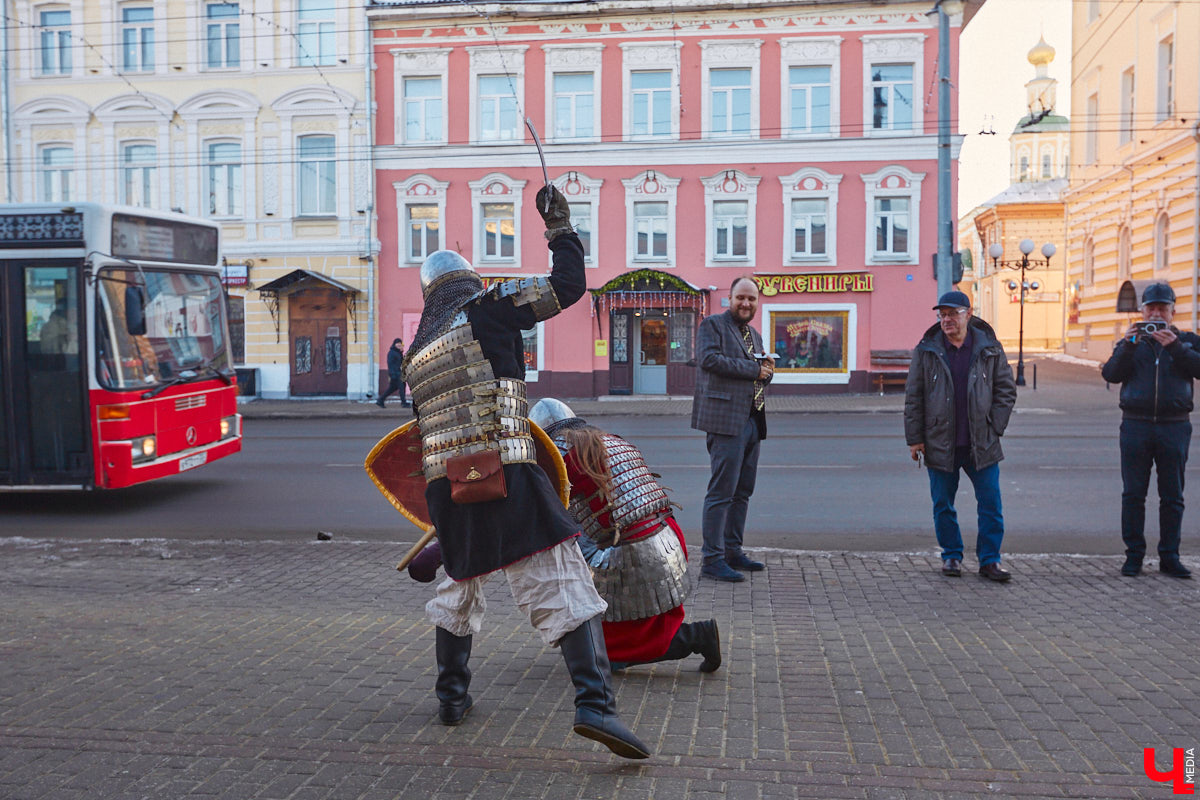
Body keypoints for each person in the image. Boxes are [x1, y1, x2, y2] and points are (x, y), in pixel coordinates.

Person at [401, 185, 649, 759]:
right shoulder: (486, 308)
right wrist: (560, 228)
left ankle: (451, 697)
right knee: (562, 577)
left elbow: (419, 435)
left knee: (459, 583)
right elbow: (567, 287)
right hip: (509, 469)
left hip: (450, 485)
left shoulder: (416, 354)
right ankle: (596, 707)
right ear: (466, 282)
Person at [530, 397, 721, 673]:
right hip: (666, 534)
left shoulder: (556, 456)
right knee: (645, 622)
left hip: (634, 546)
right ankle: (691, 635)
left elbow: (554, 522)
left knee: (614, 651)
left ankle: (696, 637)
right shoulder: (605, 437)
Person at [904, 290, 1017, 582]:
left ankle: (990, 560)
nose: (946, 320)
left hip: (982, 442)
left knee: (991, 504)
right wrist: (915, 438)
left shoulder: (989, 348)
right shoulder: (927, 350)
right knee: (943, 504)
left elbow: (1006, 390)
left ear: (969, 313)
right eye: (942, 315)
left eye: (952, 313)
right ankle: (951, 556)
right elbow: (914, 397)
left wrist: (995, 427)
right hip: (940, 442)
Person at [1100, 281, 1199, 579]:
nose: (1156, 313)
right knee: (1133, 494)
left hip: (1174, 426)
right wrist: (1128, 346)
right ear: (1142, 311)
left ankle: (1170, 556)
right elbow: (1111, 374)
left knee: (1173, 496)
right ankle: (1134, 556)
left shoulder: (1188, 341)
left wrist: (1176, 347)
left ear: (1172, 311)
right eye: (1151, 308)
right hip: (1135, 425)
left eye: (1162, 308)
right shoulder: (1132, 343)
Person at [692, 276, 773, 583]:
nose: (746, 303)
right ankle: (711, 560)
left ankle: (732, 551)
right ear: (730, 298)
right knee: (721, 492)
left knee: (742, 492)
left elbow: (760, 373)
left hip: (753, 419)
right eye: (741, 297)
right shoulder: (713, 326)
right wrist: (755, 369)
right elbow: (709, 360)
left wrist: (767, 373)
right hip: (725, 420)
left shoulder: (753, 333)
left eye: (751, 299)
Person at [376, 338, 408, 407]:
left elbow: (401, 362)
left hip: (398, 373)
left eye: (400, 345)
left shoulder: (398, 353)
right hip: (396, 374)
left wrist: (401, 352)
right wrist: (393, 374)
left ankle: (380, 400)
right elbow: (390, 364)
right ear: (395, 345)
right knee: (401, 387)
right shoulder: (392, 353)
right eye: (398, 345)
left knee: (392, 388)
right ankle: (404, 403)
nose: (399, 346)